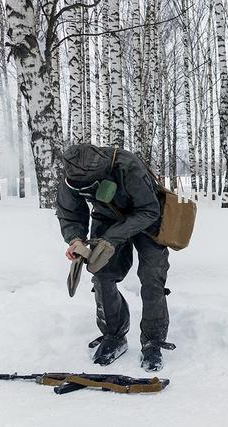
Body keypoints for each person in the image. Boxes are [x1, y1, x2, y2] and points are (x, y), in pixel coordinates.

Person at [56, 144, 175, 372]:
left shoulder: (127, 166)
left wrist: (111, 239)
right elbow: (69, 213)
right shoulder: (71, 174)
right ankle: (114, 335)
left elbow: (148, 210)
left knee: (152, 278)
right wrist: (76, 240)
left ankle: (153, 341)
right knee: (101, 274)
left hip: (149, 219)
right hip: (107, 217)